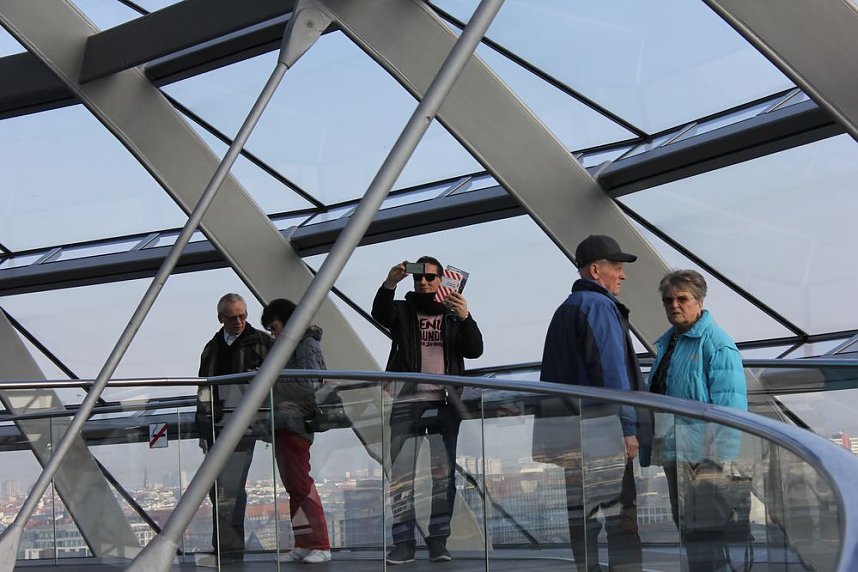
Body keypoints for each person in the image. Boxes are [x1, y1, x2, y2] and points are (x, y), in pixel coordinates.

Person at [540, 235, 650, 572]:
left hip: (572, 436)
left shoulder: (565, 309)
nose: (623, 274)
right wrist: (628, 428)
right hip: (604, 435)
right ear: (595, 269)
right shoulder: (598, 307)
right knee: (621, 516)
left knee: (583, 516)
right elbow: (611, 373)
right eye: (617, 267)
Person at [372, 256, 484, 565]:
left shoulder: (451, 314)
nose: (423, 281)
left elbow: (474, 349)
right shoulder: (403, 310)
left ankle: (438, 542)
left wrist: (465, 317)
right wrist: (390, 282)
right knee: (402, 476)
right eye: (419, 277)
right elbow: (380, 312)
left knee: (442, 476)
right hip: (408, 402)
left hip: (444, 405)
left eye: (430, 277)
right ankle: (404, 543)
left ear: (442, 280)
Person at [644, 270, 747, 572]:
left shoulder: (716, 343)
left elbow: (731, 405)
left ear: (699, 301)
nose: (674, 305)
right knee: (689, 529)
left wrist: (721, 459)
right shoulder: (671, 343)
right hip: (676, 452)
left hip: (704, 458)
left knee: (706, 534)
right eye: (668, 300)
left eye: (682, 299)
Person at [196, 293, 273, 566]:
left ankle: (228, 553)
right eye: (233, 317)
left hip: (245, 427)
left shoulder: (263, 343)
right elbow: (204, 390)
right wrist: (205, 429)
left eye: (243, 315)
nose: (239, 321)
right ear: (221, 319)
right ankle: (226, 551)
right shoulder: (212, 348)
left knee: (229, 489)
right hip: (219, 427)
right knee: (221, 490)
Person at [259, 298, 332, 564]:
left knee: (300, 483)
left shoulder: (306, 345)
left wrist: (269, 382)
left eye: (274, 326)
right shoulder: (289, 346)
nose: (273, 333)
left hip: (296, 421)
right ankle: (304, 541)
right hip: (283, 421)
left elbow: (310, 384)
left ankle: (321, 544)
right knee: (293, 486)